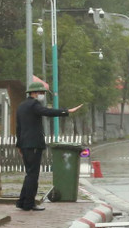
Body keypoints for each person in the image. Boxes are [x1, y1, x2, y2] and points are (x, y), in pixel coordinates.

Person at [15, 77, 82, 211]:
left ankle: (22, 202)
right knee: (33, 175)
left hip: (25, 144)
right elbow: (48, 112)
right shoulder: (34, 105)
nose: (43, 96)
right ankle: (29, 203)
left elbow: (19, 127)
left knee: (29, 173)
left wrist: (19, 144)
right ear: (34, 93)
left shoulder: (21, 106)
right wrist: (66, 111)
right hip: (34, 144)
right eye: (41, 93)